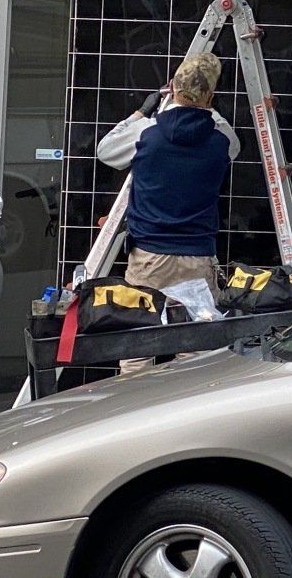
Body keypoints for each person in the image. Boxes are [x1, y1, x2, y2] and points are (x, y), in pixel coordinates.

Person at [108, 52, 234, 373]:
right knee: (196, 355)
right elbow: (232, 141)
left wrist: (143, 111)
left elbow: (106, 150)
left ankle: (134, 417)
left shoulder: (146, 133)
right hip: (197, 258)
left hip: (149, 257)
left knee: (138, 349)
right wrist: (206, 108)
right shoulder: (220, 140)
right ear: (211, 97)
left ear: (173, 90)